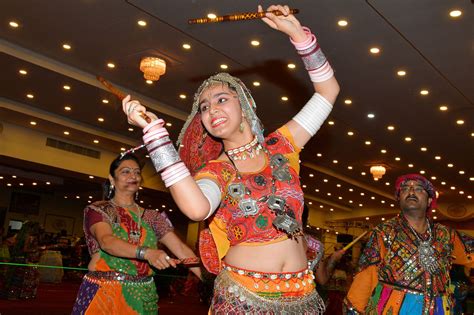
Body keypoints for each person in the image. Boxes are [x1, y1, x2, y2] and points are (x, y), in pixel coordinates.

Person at [123, 4, 341, 313]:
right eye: (204, 107)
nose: (211, 110)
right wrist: (156, 137)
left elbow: (328, 91)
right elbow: (197, 208)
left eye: (221, 100)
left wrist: (298, 36)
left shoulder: (282, 146)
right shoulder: (217, 171)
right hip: (243, 298)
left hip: (301, 297)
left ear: (246, 105)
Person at [72, 153, 201, 314]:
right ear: (112, 178)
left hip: (142, 297)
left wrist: (212, 281)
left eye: (137, 172)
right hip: (105, 293)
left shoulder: (152, 217)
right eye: (125, 171)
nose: (133, 175)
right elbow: (107, 242)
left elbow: (181, 249)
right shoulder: (99, 209)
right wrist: (146, 253)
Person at [344, 174, 474, 314]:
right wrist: (354, 309)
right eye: (405, 189)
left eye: (418, 189)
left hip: (439, 309)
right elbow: (365, 278)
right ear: (398, 198)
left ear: (430, 200)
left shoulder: (446, 235)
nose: (411, 192)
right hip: (395, 308)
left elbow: (469, 255)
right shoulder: (384, 232)